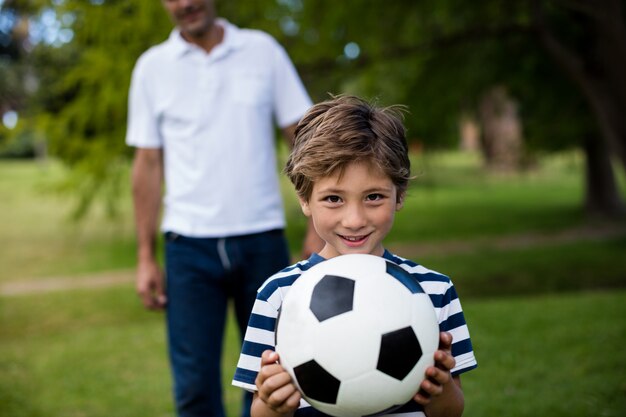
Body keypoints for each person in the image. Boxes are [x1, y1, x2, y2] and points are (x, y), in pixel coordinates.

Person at [125, 1, 321, 416]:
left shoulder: (262, 50)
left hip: (262, 243)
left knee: (275, 381)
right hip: (187, 249)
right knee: (194, 389)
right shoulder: (151, 68)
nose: (185, 3)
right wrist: (145, 256)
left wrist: (317, 229)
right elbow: (147, 163)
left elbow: (305, 141)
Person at [232, 95, 478, 417]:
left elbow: (450, 411)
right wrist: (273, 403)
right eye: (333, 198)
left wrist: (439, 388)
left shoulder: (434, 291)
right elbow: (261, 412)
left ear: (399, 194)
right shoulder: (277, 295)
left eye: (373, 197)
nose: (355, 219)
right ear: (305, 199)